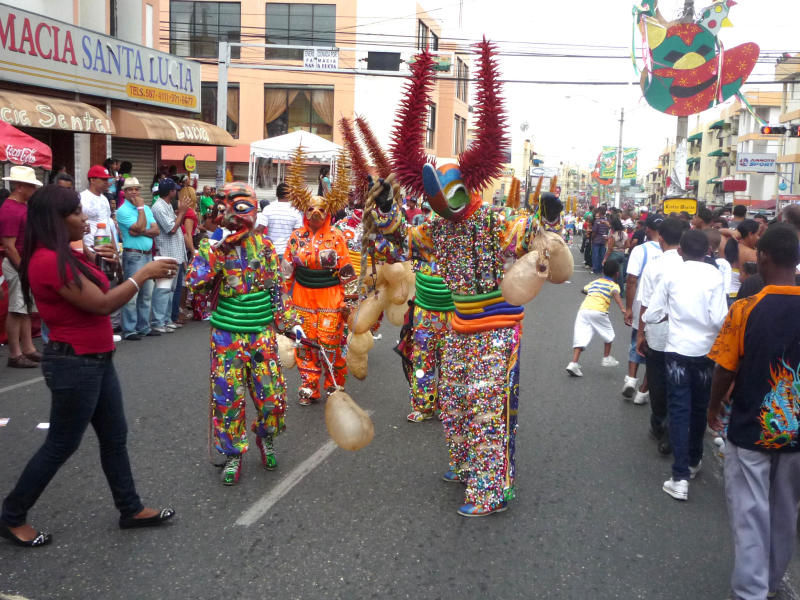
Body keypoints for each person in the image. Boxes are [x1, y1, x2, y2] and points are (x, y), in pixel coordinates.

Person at [0, 185, 176, 548]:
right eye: (77, 213)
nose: (85, 219)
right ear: (56, 219)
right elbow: (101, 305)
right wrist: (141, 275)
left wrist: (104, 263)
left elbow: (95, 293)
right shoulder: (47, 259)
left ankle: (130, 508)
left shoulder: (65, 253)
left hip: (95, 360)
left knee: (114, 438)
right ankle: (12, 515)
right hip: (74, 364)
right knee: (61, 444)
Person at [707, 223, 800, 600]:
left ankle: (750, 592)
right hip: (795, 434)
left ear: (763, 257)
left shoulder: (745, 309)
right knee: (785, 513)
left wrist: (713, 407)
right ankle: (773, 583)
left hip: (749, 428)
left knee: (750, 515)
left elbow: (725, 367)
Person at [186, 183, 297, 485]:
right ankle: (233, 453)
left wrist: (289, 323)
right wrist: (217, 248)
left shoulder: (265, 247)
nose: (233, 214)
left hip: (261, 334)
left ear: (254, 210)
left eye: (241, 206)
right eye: (226, 207)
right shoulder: (214, 246)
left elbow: (276, 289)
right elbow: (194, 283)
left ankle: (266, 436)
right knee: (228, 398)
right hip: (227, 337)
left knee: (271, 396)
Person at [643, 229, 727, 501]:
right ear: (707, 252)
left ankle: (679, 478)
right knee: (700, 407)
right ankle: (694, 461)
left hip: (677, 349)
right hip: (705, 352)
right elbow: (719, 318)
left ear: (680, 251)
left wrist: (669, 315)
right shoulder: (715, 275)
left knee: (679, 409)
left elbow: (653, 313)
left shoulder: (672, 275)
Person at [284, 149, 357, 405]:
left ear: (329, 211)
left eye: (321, 208)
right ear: (305, 210)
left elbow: (346, 270)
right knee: (305, 344)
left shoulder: (336, 238)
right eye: (311, 208)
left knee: (330, 344)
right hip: (302, 298)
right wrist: (282, 300)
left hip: (330, 299)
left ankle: (333, 384)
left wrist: (350, 300)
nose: (316, 212)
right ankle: (308, 386)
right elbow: (286, 271)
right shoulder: (296, 237)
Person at [635, 218, 685, 455]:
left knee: (657, 382)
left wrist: (640, 334)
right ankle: (672, 429)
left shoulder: (654, 265)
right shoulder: (694, 263)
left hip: (657, 335)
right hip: (686, 337)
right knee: (679, 385)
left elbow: (645, 304)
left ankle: (660, 424)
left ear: (661, 238)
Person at [0, 166, 43, 367]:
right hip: (18, 263)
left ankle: (27, 348)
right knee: (17, 309)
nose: (33, 190)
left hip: (25, 262)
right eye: (30, 186)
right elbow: (9, 246)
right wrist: (23, 269)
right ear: (19, 186)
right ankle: (15, 353)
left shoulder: (22, 207)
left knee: (25, 308)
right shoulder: (9, 210)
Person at [623, 214, 664, 404]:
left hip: (642, 305)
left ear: (647, 229)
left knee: (635, 341)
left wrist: (628, 308)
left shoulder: (641, 250)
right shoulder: (677, 253)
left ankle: (631, 378)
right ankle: (643, 390)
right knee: (654, 348)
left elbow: (631, 280)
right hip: (663, 311)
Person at [116, 178, 160, 341]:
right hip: (134, 254)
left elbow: (156, 231)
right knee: (132, 293)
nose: (134, 192)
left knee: (147, 293)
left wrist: (140, 230)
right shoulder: (123, 210)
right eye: (130, 189)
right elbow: (141, 227)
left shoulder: (147, 209)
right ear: (124, 192)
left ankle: (143, 326)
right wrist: (140, 209)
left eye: (136, 189)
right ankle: (129, 329)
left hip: (147, 253)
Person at [565, 259, 625, 377]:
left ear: (603, 271)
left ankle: (573, 363)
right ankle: (606, 357)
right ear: (617, 274)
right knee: (609, 335)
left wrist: (593, 293)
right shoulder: (614, 285)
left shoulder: (596, 281)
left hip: (584, 310)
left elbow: (584, 289)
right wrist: (623, 309)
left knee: (581, 337)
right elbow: (616, 295)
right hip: (599, 311)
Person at [150, 179, 188, 334]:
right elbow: (171, 228)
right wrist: (182, 213)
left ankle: (166, 320)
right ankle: (158, 321)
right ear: (170, 192)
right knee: (163, 289)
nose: (177, 192)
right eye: (175, 190)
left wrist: (179, 213)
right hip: (166, 253)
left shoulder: (166, 205)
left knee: (171, 289)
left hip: (175, 253)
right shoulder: (158, 207)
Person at [255, 183, 303, 255]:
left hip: (271, 252)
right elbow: (297, 234)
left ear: (276, 194)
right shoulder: (295, 211)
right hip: (288, 253)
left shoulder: (268, 208)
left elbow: (259, 231)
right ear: (289, 195)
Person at [724, 219, 760, 303]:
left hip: (727, 295)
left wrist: (732, 233)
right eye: (757, 234)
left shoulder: (729, 244)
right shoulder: (753, 254)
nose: (758, 238)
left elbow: (719, 231)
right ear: (751, 234)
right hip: (743, 297)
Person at [603, 217, 627, 292]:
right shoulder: (624, 234)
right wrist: (621, 247)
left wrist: (605, 259)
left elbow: (610, 249)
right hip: (622, 254)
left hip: (614, 254)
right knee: (620, 274)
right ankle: (621, 291)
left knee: (610, 273)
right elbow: (628, 244)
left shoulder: (614, 235)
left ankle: (609, 289)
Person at [591, 206, 610, 273]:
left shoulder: (597, 221)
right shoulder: (607, 221)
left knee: (595, 255)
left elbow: (594, 232)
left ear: (599, 212)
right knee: (602, 255)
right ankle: (601, 268)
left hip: (596, 239)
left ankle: (595, 269)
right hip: (604, 240)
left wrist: (592, 238)